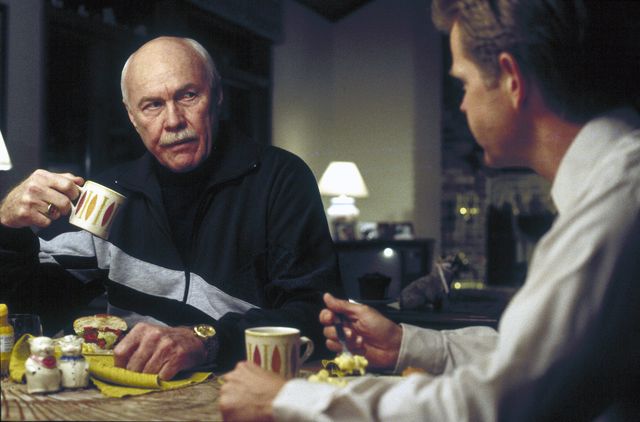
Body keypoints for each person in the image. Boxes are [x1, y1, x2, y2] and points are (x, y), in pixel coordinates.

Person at [219, 0, 640, 420]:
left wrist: (287, 399)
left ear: (511, 79)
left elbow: (492, 406)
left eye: (464, 83)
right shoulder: (613, 188)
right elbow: (527, 360)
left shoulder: (615, 209)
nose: (462, 105)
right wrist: (405, 344)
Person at [0, 36, 339, 380]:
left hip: (242, 390)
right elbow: (32, 312)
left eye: (188, 96)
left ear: (217, 96)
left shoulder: (280, 179)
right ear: (132, 116)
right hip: (133, 394)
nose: (173, 120)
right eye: (152, 105)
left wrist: (207, 341)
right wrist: (8, 228)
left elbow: (319, 316)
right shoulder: (108, 195)